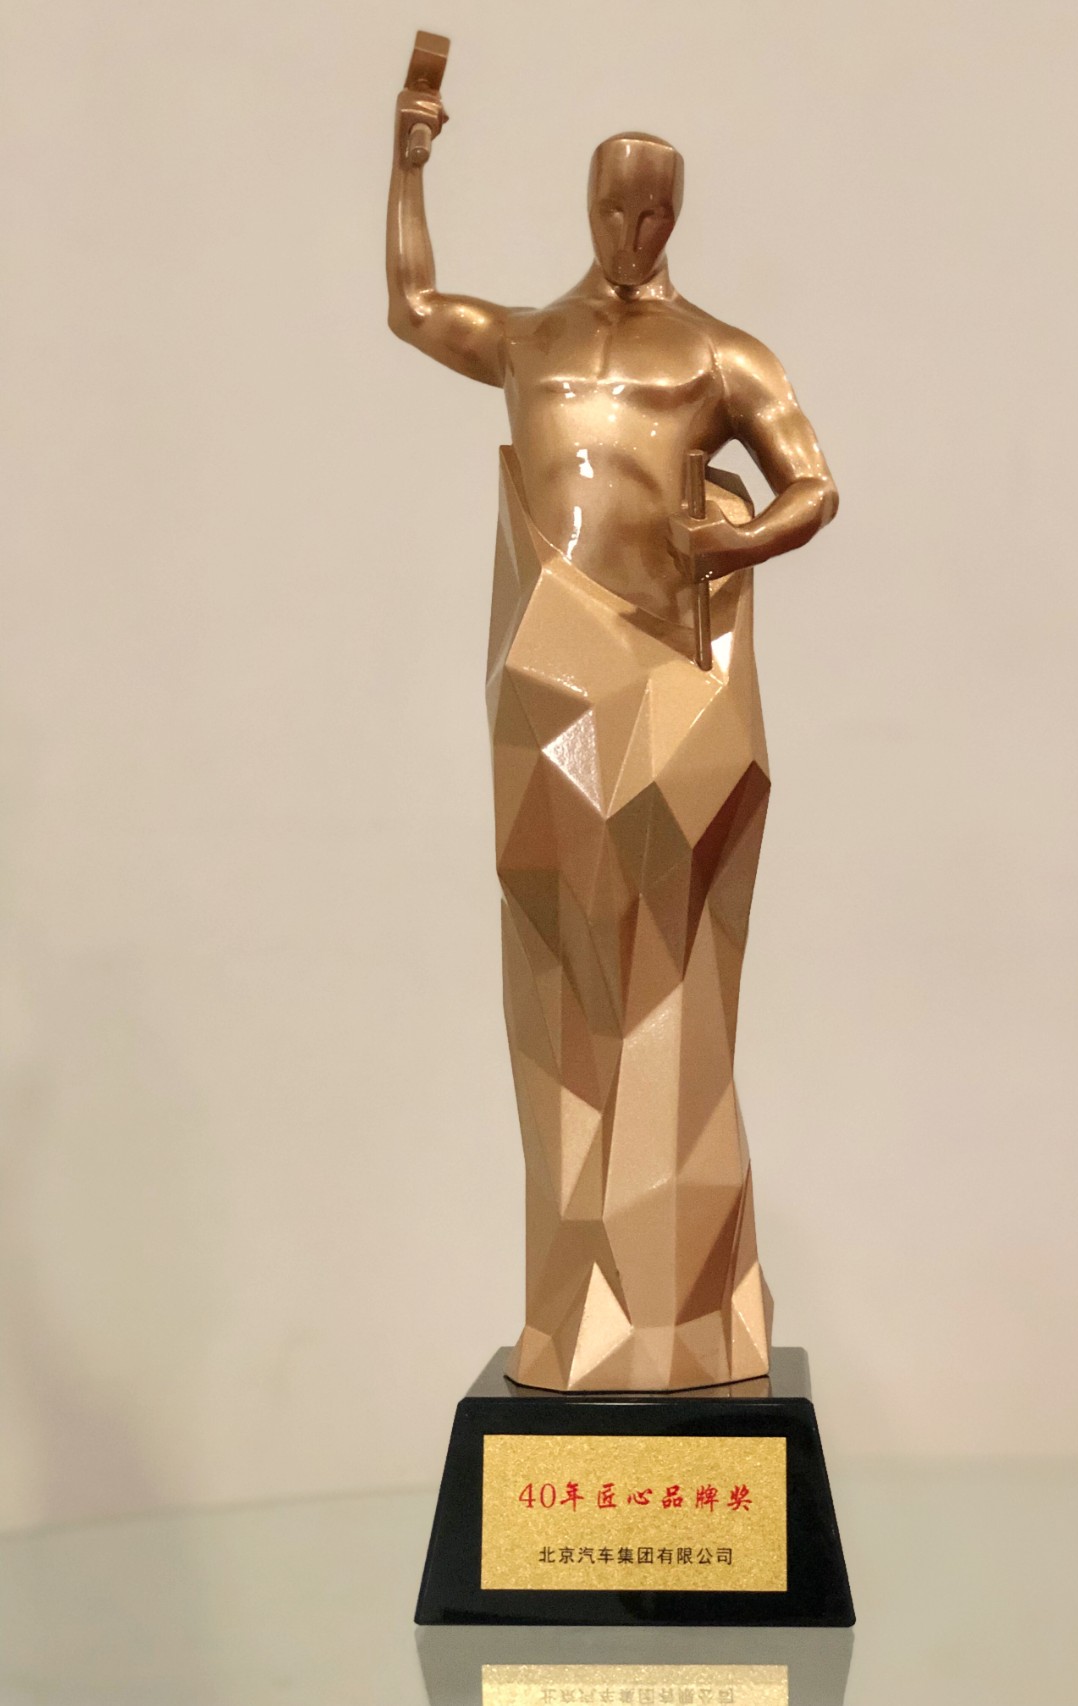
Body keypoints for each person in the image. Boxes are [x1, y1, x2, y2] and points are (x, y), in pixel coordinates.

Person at [387, 89, 838, 1392]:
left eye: (654, 212)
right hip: (548, 682)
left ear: (675, 215)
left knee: (668, 984)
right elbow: (415, 307)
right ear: (586, 205)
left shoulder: (719, 355)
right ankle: (575, 1311)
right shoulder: (533, 338)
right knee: (561, 978)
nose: (633, 230)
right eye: (614, 207)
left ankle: (686, 1318)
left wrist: (734, 541)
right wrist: (408, 165)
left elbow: (813, 482)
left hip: (668, 687)